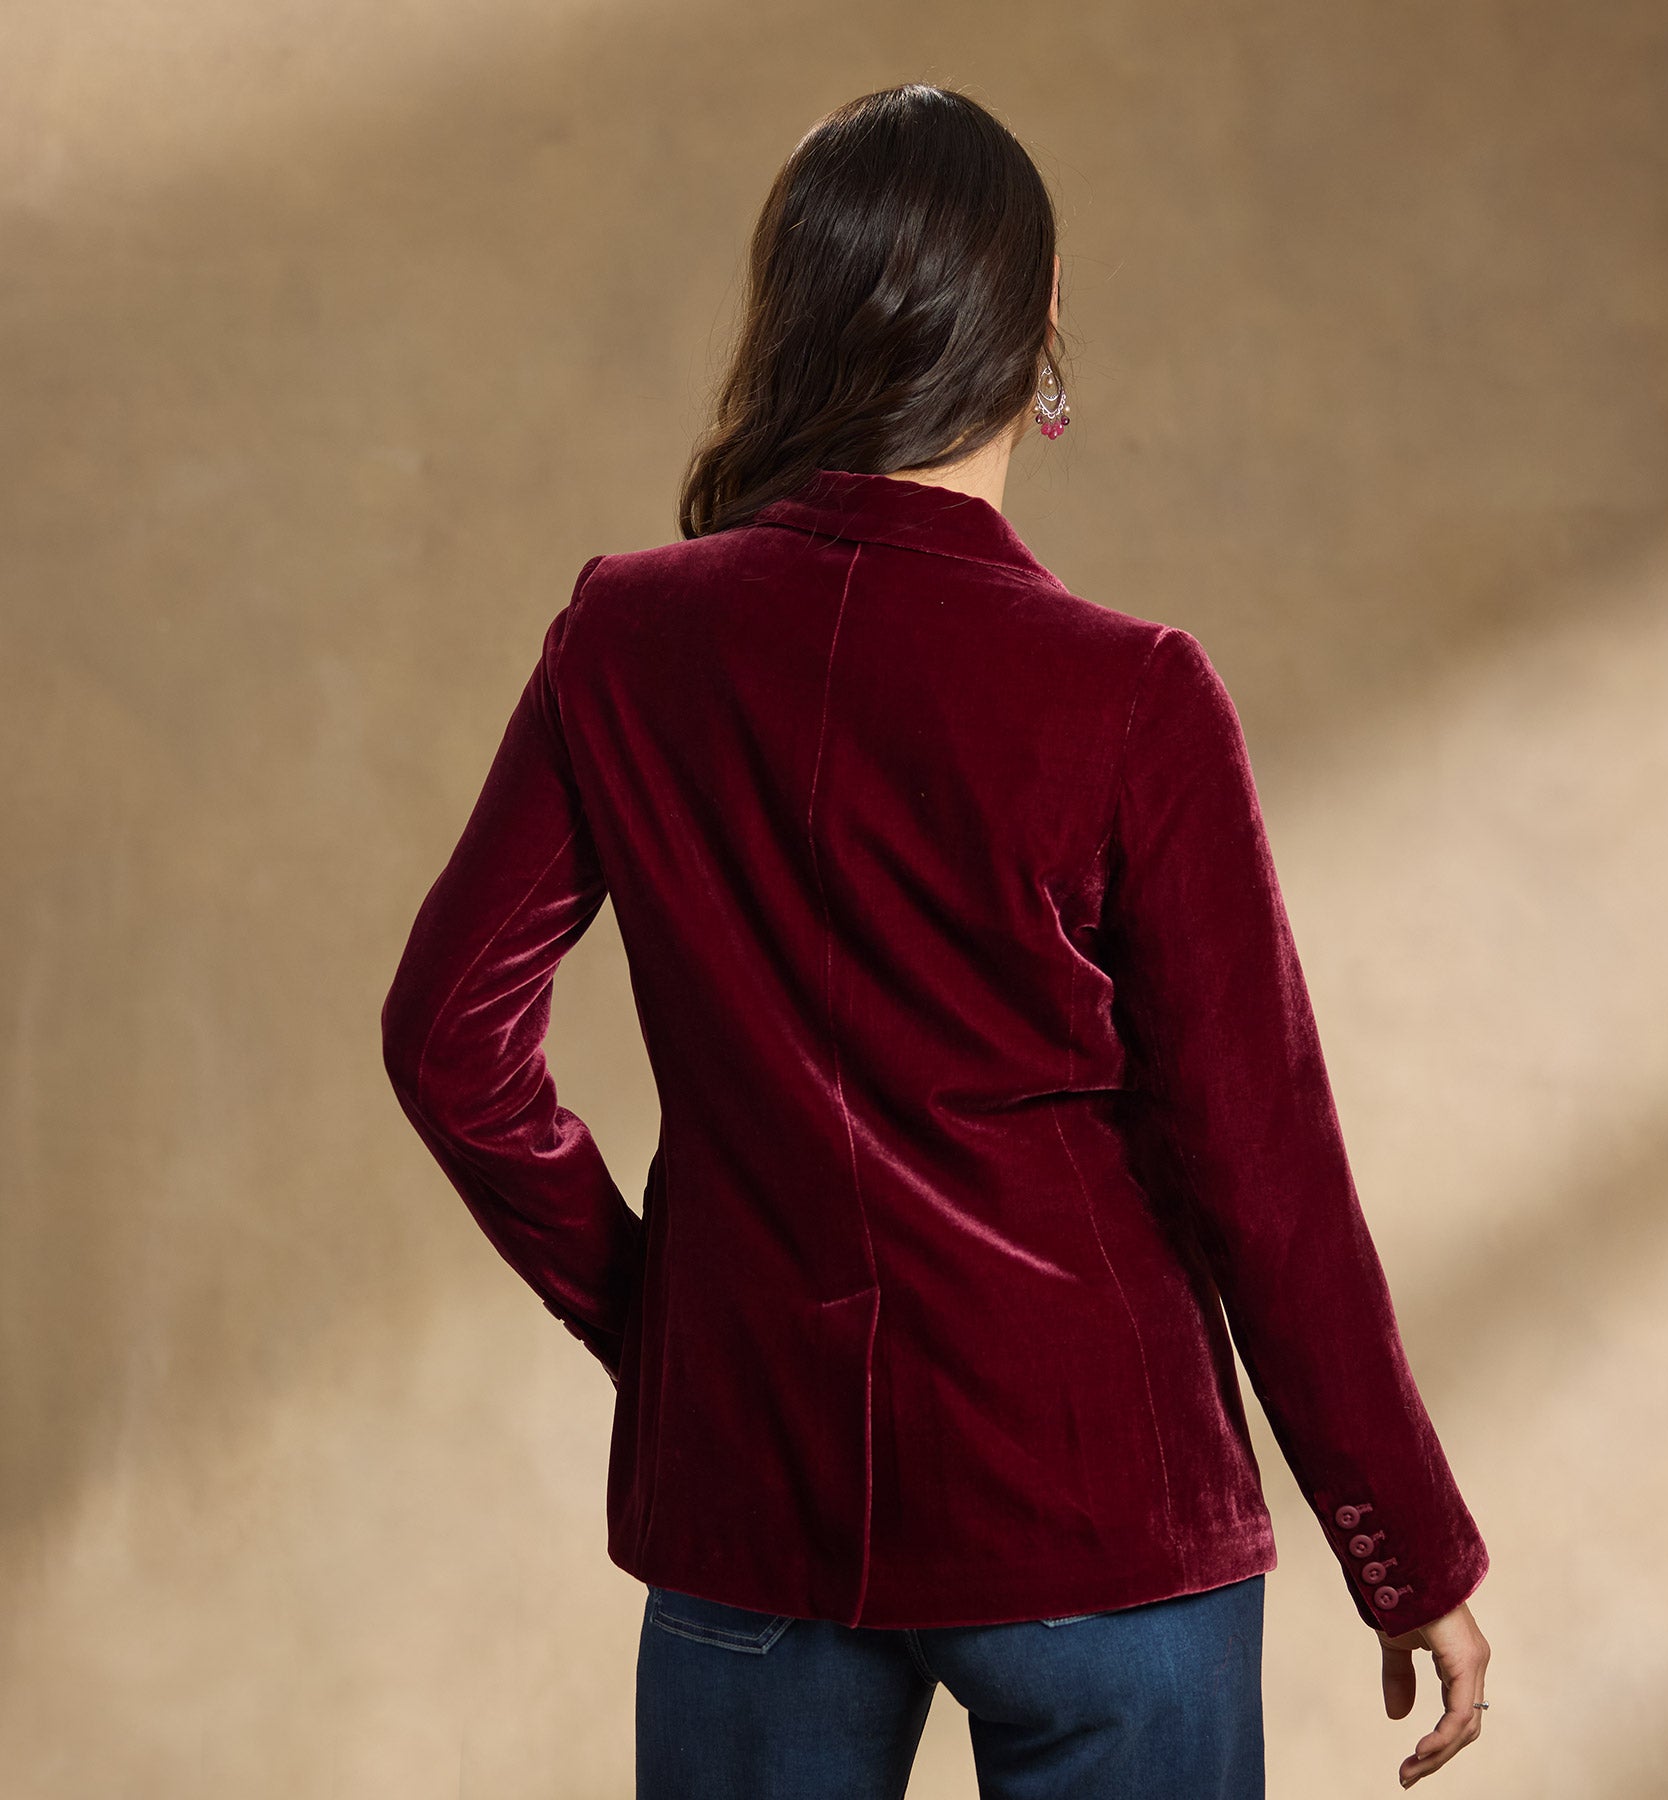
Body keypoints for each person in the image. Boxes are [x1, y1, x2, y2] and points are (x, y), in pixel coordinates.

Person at [380, 81, 1492, 1800]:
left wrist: (663, 1328)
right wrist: (1405, 1547)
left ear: (797, 328)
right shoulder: (1132, 694)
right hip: (1096, 1512)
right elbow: (1261, 1165)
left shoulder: (626, 640)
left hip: (753, 1495)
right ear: (1034, 339)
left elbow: (448, 1041)